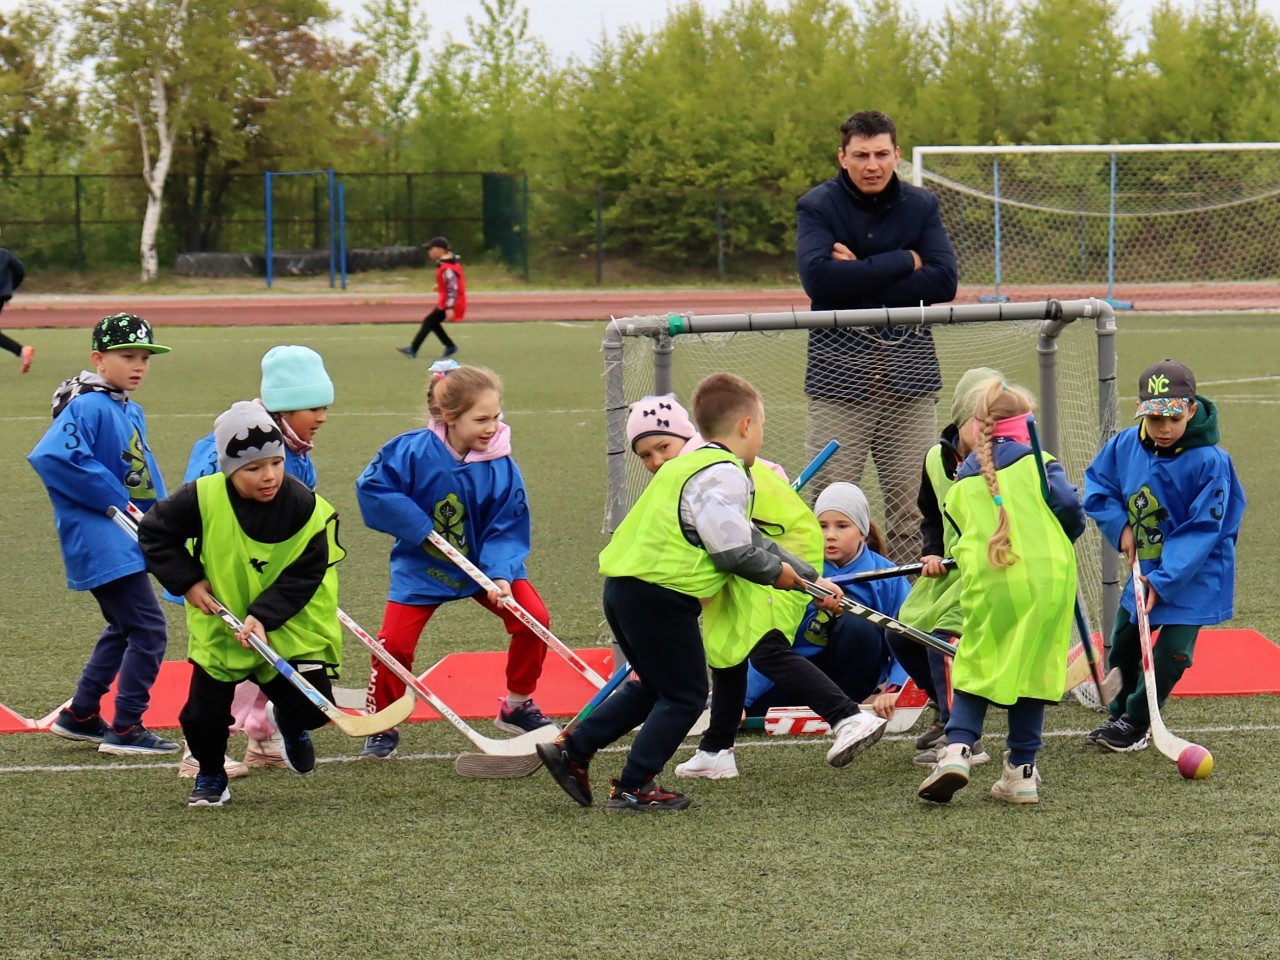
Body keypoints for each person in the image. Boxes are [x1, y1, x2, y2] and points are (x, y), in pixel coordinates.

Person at [536, 373, 848, 813]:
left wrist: (809, 578)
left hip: (626, 590)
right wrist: (782, 577)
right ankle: (633, 785)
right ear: (745, 425)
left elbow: (752, 540)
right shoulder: (724, 473)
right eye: (760, 425)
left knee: (654, 688)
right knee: (684, 696)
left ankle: (574, 748)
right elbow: (735, 553)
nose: (761, 435)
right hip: (657, 595)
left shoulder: (691, 466)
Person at [137, 402, 345, 807]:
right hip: (223, 624)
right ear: (229, 468)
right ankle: (211, 774)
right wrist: (188, 581)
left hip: (286, 626)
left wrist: (265, 615)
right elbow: (154, 533)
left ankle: (287, 720)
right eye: (252, 468)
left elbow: (305, 573)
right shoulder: (202, 497)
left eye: (275, 463)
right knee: (201, 716)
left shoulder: (308, 509)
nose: (267, 476)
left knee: (315, 709)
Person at [356, 361, 554, 759]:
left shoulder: (502, 464)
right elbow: (373, 488)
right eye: (481, 419)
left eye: (496, 417)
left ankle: (516, 705)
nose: (492, 427)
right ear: (449, 417)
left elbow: (508, 523)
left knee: (535, 620)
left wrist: (499, 574)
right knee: (393, 644)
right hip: (423, 565)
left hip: (484, 566)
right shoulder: (409, 451)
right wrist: (414, 522)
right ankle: (383, 721)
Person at [795, 109, 959, 564]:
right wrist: (906, 260)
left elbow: (944, 282)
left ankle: (911, 626)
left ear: (897, 155)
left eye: (882, 154)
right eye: (862, 154)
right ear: (842, 157)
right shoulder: (817, 206)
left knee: (914, 514)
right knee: (826, 512)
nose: (873, 164)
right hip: (838, 384)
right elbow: (821, 283)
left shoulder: (921, 205)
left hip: (910, 383)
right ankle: (825, 617)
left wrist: (858, 272)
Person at [917, 380, 1085, 805]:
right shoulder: (1042, 464)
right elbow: (1069, 508)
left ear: (978, 428)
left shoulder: (962, 485)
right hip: (1049, 582)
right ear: (1025, 427)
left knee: (976, 665)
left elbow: (958, 539)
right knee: (1032, 671)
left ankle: (956, 750)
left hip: (992, 583)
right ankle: (1022, 772)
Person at [176, 345, 335, 777]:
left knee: (275, 657)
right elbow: (205, 510)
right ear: (284, 407)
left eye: (325, 407)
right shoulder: (237, 447)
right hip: (223, 581)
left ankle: (263, 736)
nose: (322, 417)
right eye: (313, 407)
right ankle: (199, 753)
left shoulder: (295, 452)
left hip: (273, 582)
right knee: (231, 662)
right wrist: (192, 577)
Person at [29, 312, 178, 755]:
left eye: (145, 358)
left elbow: (140, 477)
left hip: (126, 534)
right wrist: (114, 501)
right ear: (98, 358)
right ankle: (127, 726)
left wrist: (162, 521)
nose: (139, 365)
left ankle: (80, 714)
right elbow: (54, 457)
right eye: (127, 356)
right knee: (149, 630)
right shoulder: (88, 405)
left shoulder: (129, 408)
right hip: (100, 538)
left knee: (124, 626)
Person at [1082, 359, 1245, 752]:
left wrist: (1164, 580)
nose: (1165, 428)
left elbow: (1204, 529)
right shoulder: (1125, 444)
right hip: (1147, 563)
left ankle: (1136, 722)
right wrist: (1120, 527)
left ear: (1191, 409)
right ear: (1143, 412)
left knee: (1172, 652)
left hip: (1196, 573)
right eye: (1155, 418)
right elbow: (1098, 485)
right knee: (1123, 640)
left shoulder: (1212, 461)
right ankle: (1120, 713)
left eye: (1173, 417)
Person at [896, 366, 1003, 764]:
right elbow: (930, 516)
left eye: (997, 422)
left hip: (988, 571)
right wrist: (931, 550)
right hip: (949, 570)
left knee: (944, 642)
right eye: (981, 421)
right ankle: (944, 709)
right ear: (960, 419)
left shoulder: (1007, 459)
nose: (989, 431)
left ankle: (965, 739)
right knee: (901, 633)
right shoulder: (934, 460)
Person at [741, 483, 910, 718]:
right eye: (821, 526)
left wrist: (896, 688)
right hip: (799, 675)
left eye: (842, 526)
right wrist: (742, 699)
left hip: (853, 679)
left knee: (858, 623)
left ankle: (847, 702)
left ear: (863, 531)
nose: (830, 535)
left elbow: (908, 633)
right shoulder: (795, 572)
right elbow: (770, 639)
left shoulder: (886, 575)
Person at [397, 236, 464, 360]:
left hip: (449, 302)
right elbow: (450, 284)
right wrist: (440, 286)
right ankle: (450, 345)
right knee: (431, 322)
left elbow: (452, 288)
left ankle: (413, 349)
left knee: (429, 322)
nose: (429, 252)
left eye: (430, 249)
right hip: (448, 301)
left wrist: (450, 307)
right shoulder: (447, 264)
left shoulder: (447, 267)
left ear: (440, 250)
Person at [0, 240, 34, 373]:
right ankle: (21, 351)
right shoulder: (4, 254)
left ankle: (21, 350)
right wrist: (8, 289)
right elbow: (20, 271)